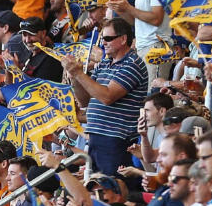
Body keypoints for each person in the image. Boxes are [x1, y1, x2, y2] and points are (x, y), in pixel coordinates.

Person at [61, 18, 148, 182]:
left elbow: (107, 97)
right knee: (96, 189)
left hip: (116, 142)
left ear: (123, 39)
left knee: (111, 188)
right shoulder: (105, 63)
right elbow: (85, 101)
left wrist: (80, 74)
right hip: (96, 138)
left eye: (108, 38)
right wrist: (74, 78)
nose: (103, 43)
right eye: (102, 39)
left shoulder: (132, 63)